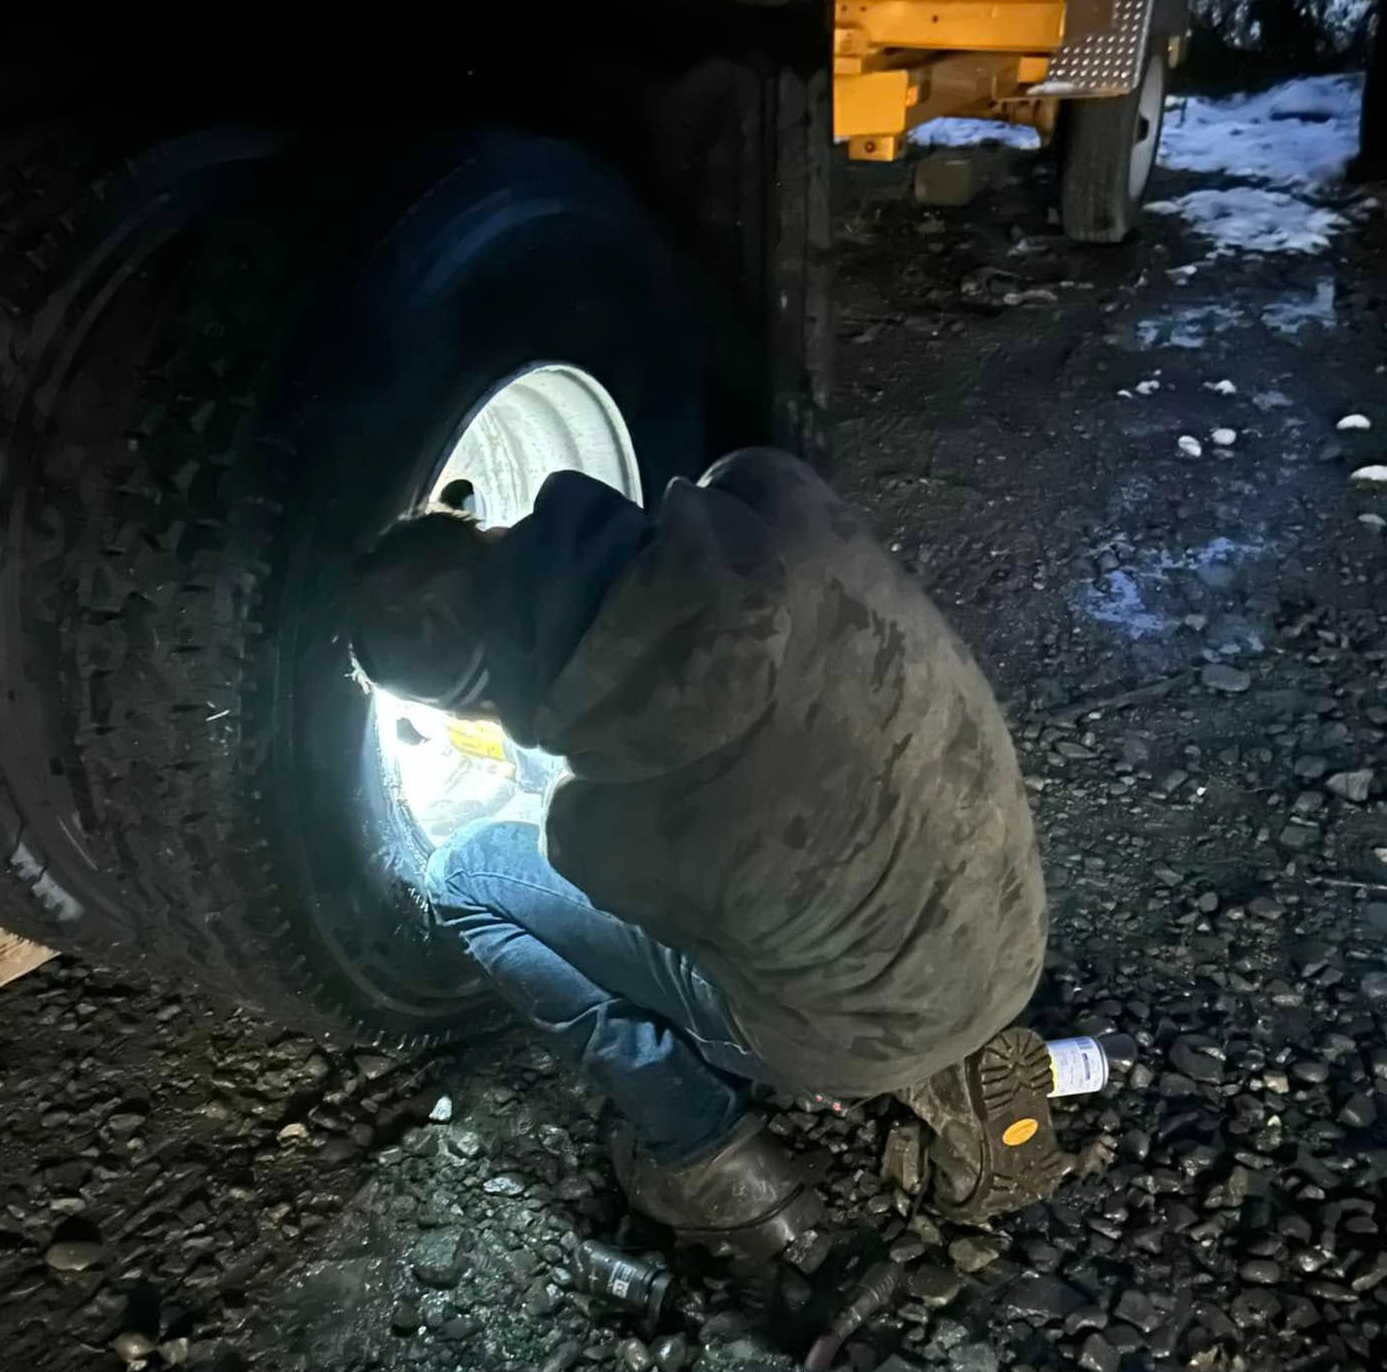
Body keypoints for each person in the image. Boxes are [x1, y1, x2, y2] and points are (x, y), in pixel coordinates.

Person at [352, 448, 1069, 1272]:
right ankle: (938, 1040)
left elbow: (699, 928)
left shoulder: (601, 832)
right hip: (1006, 926)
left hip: (849, 1042)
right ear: (495, 530)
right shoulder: (763, 491)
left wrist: (548, 762)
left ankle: (710, 1155)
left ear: (484, 707)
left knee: (466, 874)